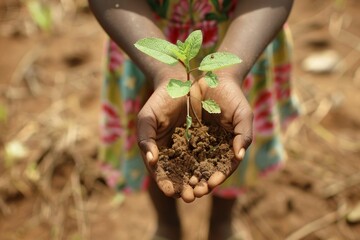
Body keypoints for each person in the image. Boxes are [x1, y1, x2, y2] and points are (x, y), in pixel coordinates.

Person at [89, 0, 298, 239]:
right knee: (155, 136)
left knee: (231, 133)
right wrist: (164, 73)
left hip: (243, 40)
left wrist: (227, 75)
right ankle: (167, 226)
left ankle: (222, 224)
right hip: (145, 43)